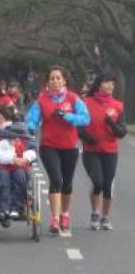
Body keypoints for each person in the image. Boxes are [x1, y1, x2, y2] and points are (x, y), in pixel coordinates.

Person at [26, 66, 90, 236]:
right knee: (56, 179)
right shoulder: (42, 100)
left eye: (58, 78)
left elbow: (85, 118)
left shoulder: (73, 98)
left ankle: (65, 215)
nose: (55, 81)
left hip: (70, 146)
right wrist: (31, 126)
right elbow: (32, 117)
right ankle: (54, 217)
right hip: (49, 146)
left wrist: (68, 117)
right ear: (47, 82)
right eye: (52, 78)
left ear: (64, 80)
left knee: (67, 183)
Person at [79, 73, 127, 231]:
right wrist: (87, 137)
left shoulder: (117, 106)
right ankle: (94, 213)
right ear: (99, 84)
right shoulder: (86, 102)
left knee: (107, 185)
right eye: (108, 83)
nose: (111, 86)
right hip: (91, 150)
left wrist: (111, 123)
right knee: (97, 182)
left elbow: (122, 132)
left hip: (110, 151)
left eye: (112, 84)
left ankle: (105, 218)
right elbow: (78, 126)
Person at [0, 106, 37, 232]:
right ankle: (4, 209)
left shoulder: (22, 132)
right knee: (3, 178)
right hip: (1, 166)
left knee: (20, 176)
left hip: (19, 166)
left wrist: (24, 159)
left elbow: (32, 150)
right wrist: (12, 159)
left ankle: (17, 208)